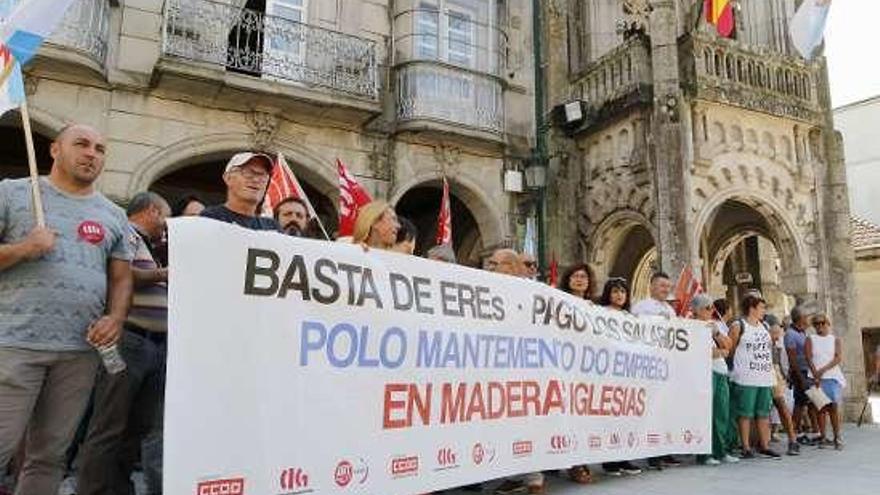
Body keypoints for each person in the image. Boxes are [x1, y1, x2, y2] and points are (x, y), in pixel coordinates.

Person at [0, 124, 134, 495]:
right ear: (55, 149)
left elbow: (122, 278)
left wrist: (116, 318)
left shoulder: (113, 214)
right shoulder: (11, 193)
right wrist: (24, 249)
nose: (92, 153)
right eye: (82, 144)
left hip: (78, 354)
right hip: (13, 344)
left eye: (101, 148)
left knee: (49, 458)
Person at [76, 192, 171, 495]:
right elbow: (120, 273)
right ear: (153, 211)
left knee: (136, 427)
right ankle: (91, 489)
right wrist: (161, 274)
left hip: (153, 346)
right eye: (165, 218)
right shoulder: (127, 234)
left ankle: (118, 487)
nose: (166, 226)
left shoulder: (147, 244)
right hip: (128, 340)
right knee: (109, 425)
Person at [487, 249, 543, 495]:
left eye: (494, 263)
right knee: (505, 426)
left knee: (526, 424)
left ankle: (534, 479)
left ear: (508, 266)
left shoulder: (533, 292)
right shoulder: (487, 287)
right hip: (499, 367)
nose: (489, 266)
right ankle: (513, 476)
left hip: (526, 367)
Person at [631, 272, 681, 468]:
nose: (665, 290)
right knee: (651, 411)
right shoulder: (641, 307)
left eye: (668, 287)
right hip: (649, 367)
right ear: (651, 286)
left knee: (666, 411)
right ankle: (652, 454)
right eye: (662, 286)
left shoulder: (670, 309)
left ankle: (666, 450)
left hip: (667, 367)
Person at [597, 278, 643, 476]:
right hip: (607, 372)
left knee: (625, 417)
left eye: (623, 292)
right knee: (610, 418)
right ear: (608, 293)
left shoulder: (629, 317)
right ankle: (609, 461)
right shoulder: (600, 313)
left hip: (627, 374)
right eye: (615, 291)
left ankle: (624, 458)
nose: (619, 295)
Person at [728, 294, 780, 459]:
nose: (764, 311)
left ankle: (764, 444)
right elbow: (731, 349)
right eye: (761, 307)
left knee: (763, 412)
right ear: (752, 308)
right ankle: (745, 446)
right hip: (746, 376)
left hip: (764, 376)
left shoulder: (764, 326)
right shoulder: (738, 325)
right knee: (745, 413)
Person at [691, 294, 740, 465]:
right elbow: (702, 352)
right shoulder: (692, 326)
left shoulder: (713, 326)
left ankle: (721, 451)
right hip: (706, 373)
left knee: (722, 413)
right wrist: (720, 352)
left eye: (712, 307)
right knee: (708, 415)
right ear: (696, 310)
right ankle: (705, 454)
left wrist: (717, 333)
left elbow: (728, 345)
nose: (711, 311)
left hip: (720, 371)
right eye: (707, 308)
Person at [557, 264, 594, 485]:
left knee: (582, 417)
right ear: (568, 280)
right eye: (575, 276)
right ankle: (569, 463)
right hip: (564, 366)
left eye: (583, 276)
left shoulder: (592, 306)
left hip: (586, 369)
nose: (579, 280)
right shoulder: (558, 300)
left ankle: (579, 461)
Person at [200, 152, 280, 231]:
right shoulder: (211, 218)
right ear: (227, 178)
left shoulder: (272, 228)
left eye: (262, 175)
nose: (256, 180)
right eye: (248, 173)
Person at [805, 313, 846, 450]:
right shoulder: (811, 339)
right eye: (816, 323)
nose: (820, 326)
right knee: (820, 408)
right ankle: (823, 437)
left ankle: (837, 436)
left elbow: (838, 358)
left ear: (828, 323)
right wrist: (816, 373)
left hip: (832, 377)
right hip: (815, 378)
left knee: (833, 407)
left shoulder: (835, 339)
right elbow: (808, 357)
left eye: (822, 323)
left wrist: (823, 370)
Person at [785, 306, 821, 444]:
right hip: (800, 372)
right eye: (806, 317)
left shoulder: (802, 333)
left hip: (808, 372)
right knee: (800, 403)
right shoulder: (790, 334)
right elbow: (792, 358)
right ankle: (795, 433)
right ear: (800, 318)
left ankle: (816, 432)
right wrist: (800, 377)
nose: (808, 319)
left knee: (812, 402)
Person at [766, 314, 800, 456]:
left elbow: (780, 360)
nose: (776, 336)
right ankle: (762, 441)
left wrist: (785, 376)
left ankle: (792, 440)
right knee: (761, 409)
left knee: (781, 405)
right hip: (762, 371)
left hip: (773, 372)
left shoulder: (776, 334)